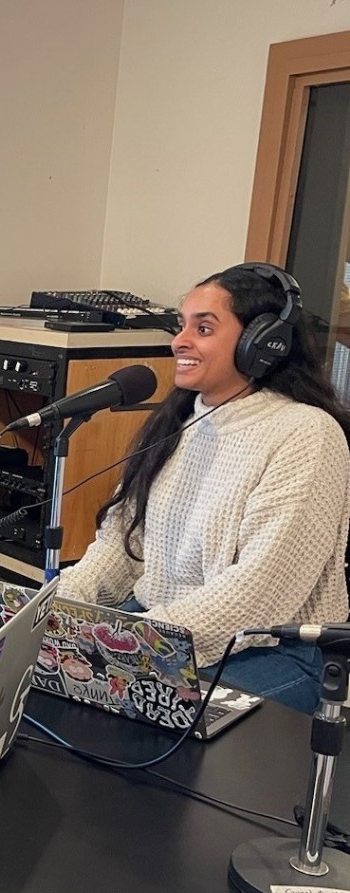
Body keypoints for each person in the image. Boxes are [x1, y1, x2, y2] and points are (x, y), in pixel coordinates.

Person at [58, 262, 350, 713]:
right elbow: (122, 543)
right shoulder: (180, 422)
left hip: (271, 652)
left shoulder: (307, 434)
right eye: (182, 325)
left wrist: (136, 646)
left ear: (263, 345)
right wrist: (60, 611)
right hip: (164, 632)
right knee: (51, 692)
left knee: (127, 728)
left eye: (204, 327)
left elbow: (259, 593)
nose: (180, 341)